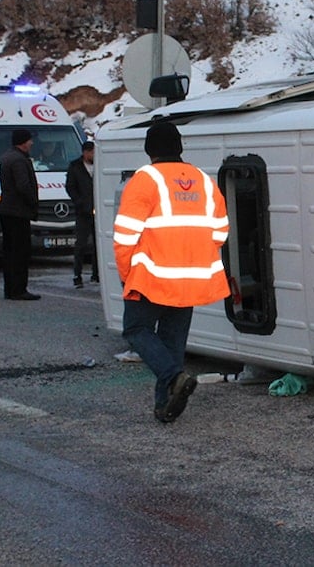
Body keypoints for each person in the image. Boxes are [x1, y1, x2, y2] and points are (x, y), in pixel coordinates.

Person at [113, 122, 230, 423]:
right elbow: (219, 231)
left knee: (136, 330)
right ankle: (165, 405)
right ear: (180, 147)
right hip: (191, 278)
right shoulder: (203, 181)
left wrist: (126, 274)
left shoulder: (145, 179)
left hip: (151, 276)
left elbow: (125, 235)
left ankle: (174, 377)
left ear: (149, 149)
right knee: (172, 342)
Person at [0, 128, 40, 300]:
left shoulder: (7, 157)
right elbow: (23, 186)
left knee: (9, 251)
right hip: (18, 211)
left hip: (8, 210)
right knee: (20, 251)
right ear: (23, 142)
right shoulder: (19, 160)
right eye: (29, 140)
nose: (32, 143)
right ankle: (19, 289)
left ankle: (10, 288)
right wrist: (33, 202)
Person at [64, 140, 97, 288]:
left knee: (98, 244)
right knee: (81, 244)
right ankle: (77, 274)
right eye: (91, 152)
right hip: (83, 211)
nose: (93, 155)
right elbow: (70, 187)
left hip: (97, 211)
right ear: (85, 153)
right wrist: (79, 202)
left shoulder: (99, 165)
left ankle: (96, 274)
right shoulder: (75, 166)